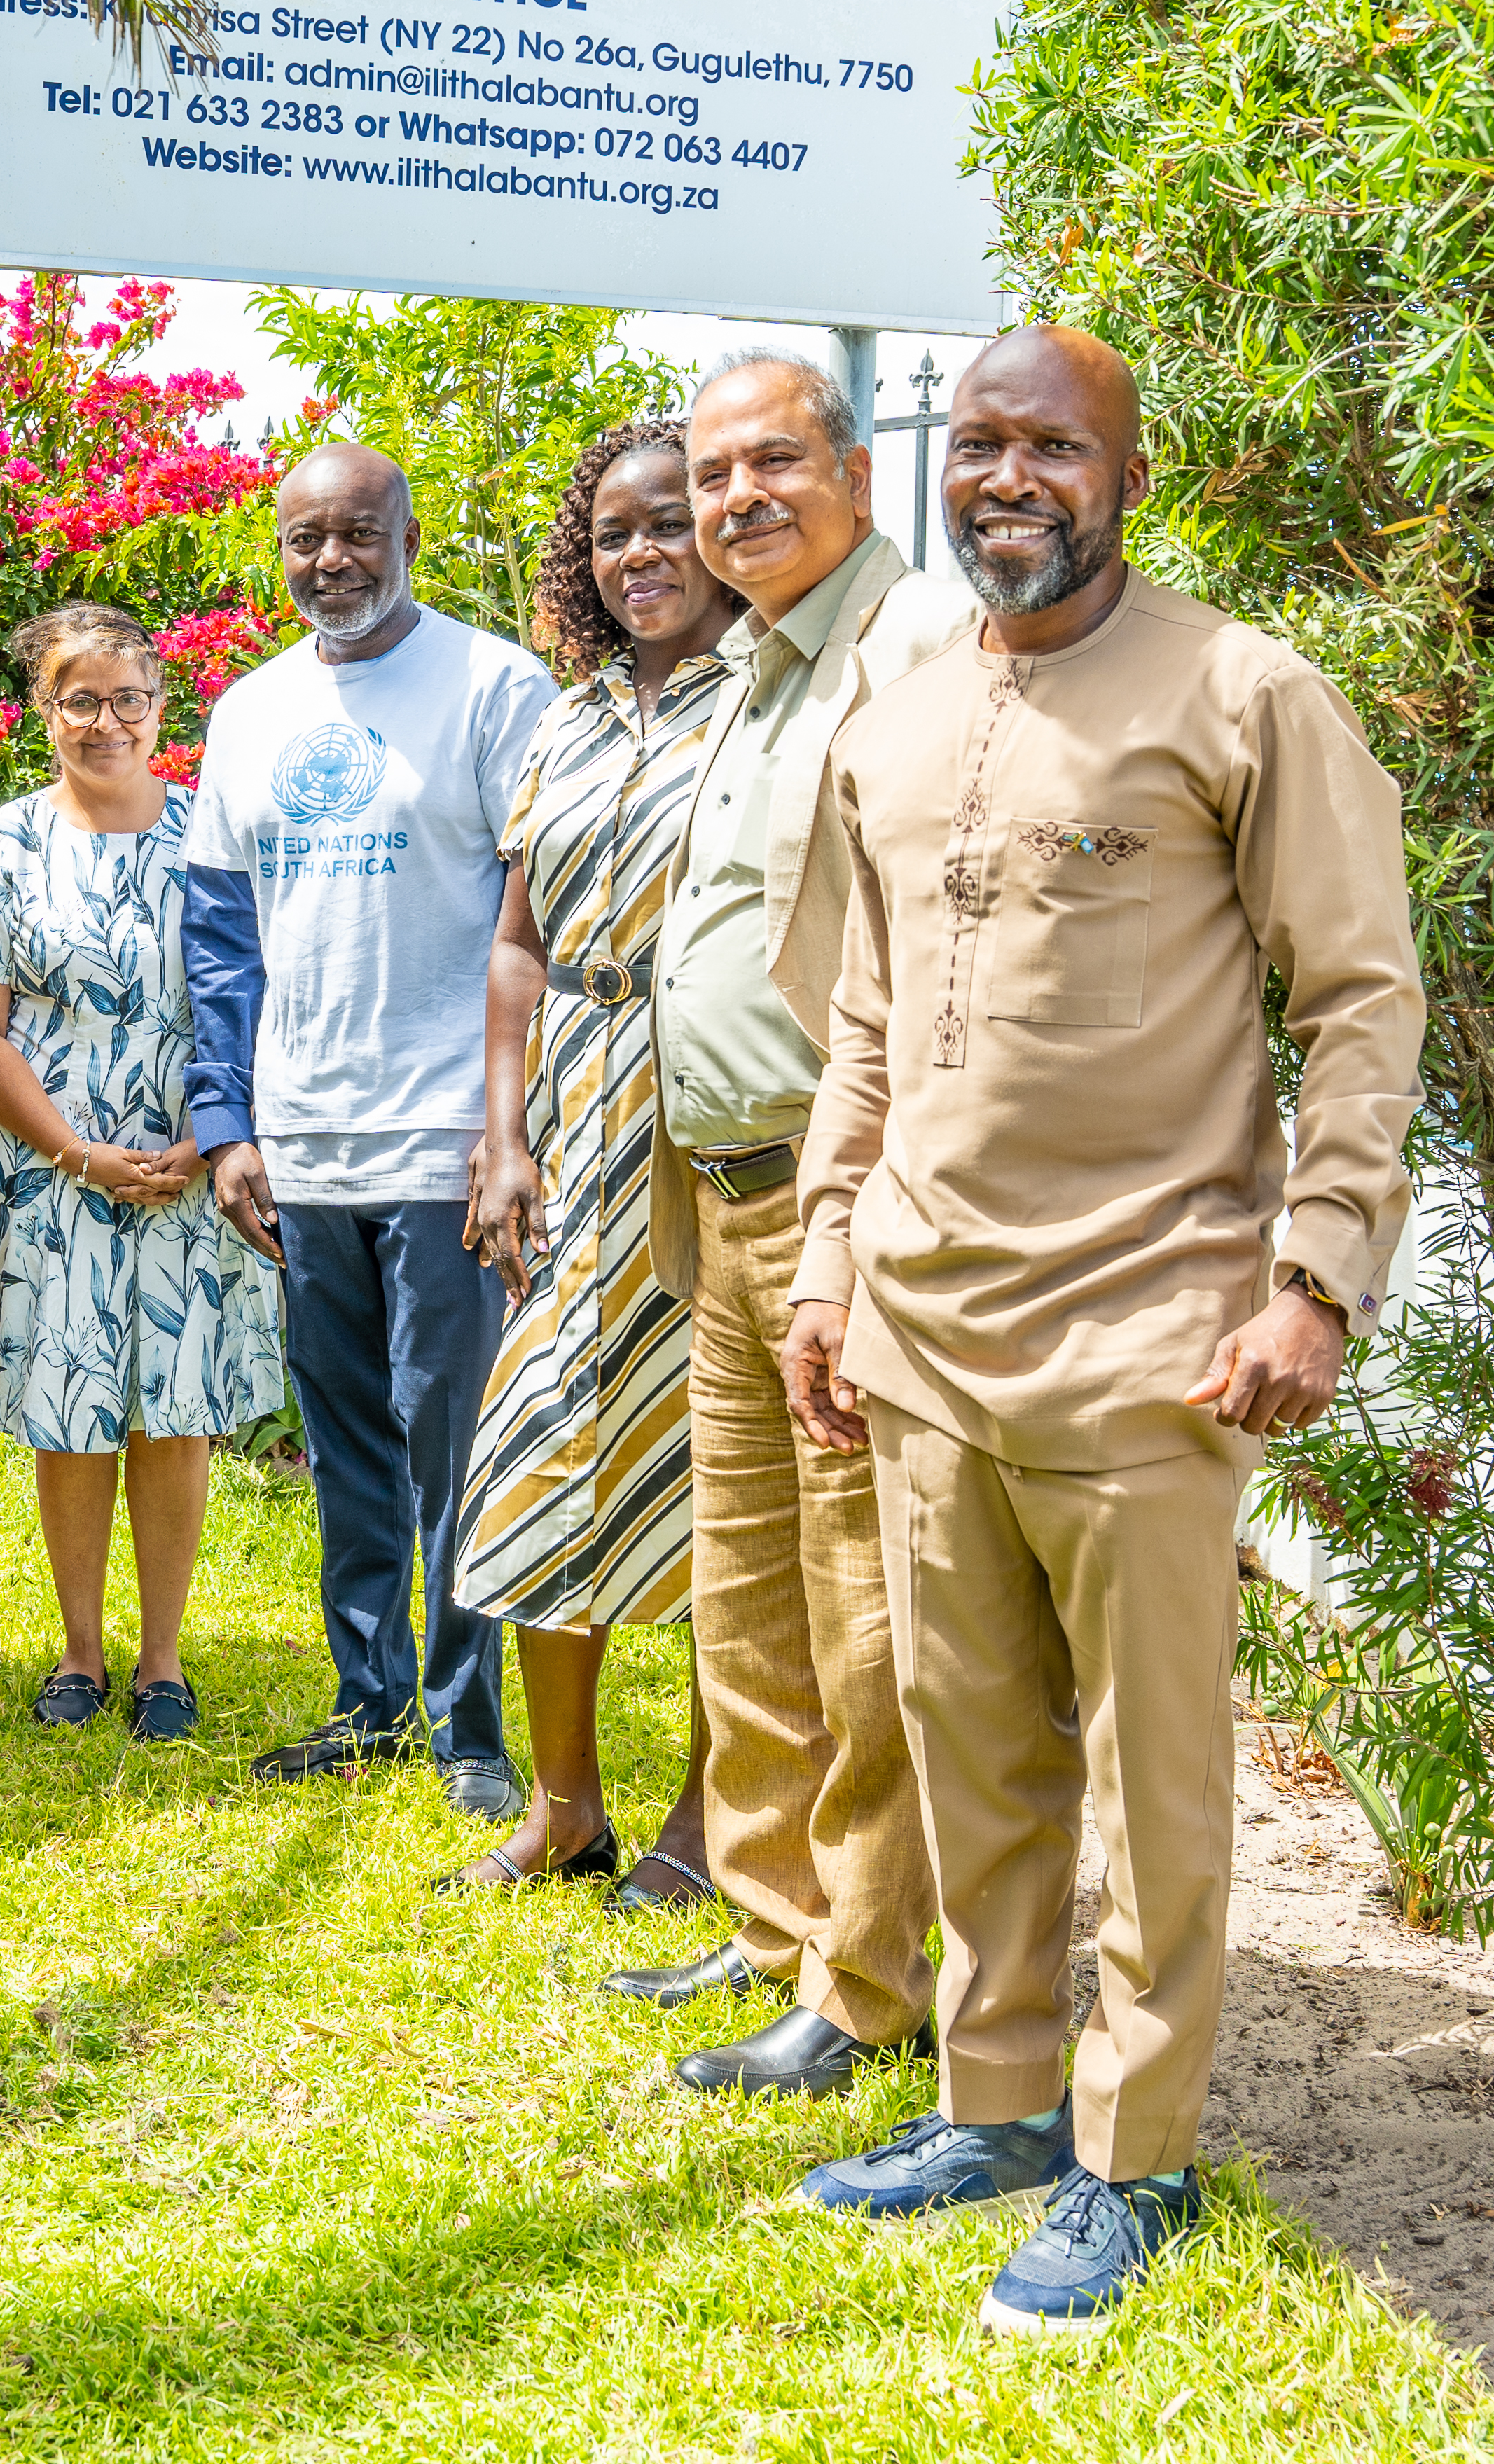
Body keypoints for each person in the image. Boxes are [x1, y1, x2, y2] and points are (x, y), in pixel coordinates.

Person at [782, 325, 1422, 2335]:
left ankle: (1131, 2160)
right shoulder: (890, 709)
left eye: (1053, 444)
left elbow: (1363, 998)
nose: (1009, 478)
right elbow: (866, 1027)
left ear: (1126, 471)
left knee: (1154, 1783)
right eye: (977, 442)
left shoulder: (1245, 692)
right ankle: (993, 2103)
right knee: (972, 1748)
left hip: (1157, 1329)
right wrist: (824, 1262)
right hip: (924, 1321)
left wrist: (1316, 1272)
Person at [600, 349, 969, 2096]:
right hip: (722, 1197)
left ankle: (864, 1975)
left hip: (843, 1211)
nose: (732, 499)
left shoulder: (907, 654)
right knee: (745, 1589)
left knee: (859, 1607)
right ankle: (770, 1924)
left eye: (770, 464)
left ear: (854, 473)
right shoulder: (755, 660)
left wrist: (857, 1215)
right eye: (709, 476)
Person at [184, 443, 552, 1814]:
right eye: (304, 541)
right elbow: (219, 941)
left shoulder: (492, 687)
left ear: (408, 534)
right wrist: (227, 1126)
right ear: (276, 551)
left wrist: (508, 1125)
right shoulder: (248, 712)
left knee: (450, 1439)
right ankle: (370, 1701)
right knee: (343, 1442)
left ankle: (468, 1732)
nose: (328, 562)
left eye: (355, 535)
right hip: (302, 1145)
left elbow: (539, 912)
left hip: (448, 1142)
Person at [449, 423, 738, 1899]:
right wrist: (498, 1139)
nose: (641, 555)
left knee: (712, 1480)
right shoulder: (560, 721)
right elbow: (515, 943)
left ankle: (709, 1821)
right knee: (536, 1453)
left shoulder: (771, 706)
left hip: (709, 1128)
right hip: (566, 1124)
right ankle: (564, 1809)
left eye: (671, 525)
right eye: (615, 533)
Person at [0, 604, 286, 1743]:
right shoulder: (5, 845)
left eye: (127, 698)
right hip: (50, 1168)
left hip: (192, 1157)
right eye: (78, 699)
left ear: (160, 708)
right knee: (72, 1407)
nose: (106, 721)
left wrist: (212, 1131)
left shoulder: (212, 835)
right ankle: (81, 1652)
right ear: (43, 714)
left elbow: (261, 991)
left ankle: (164, 1660)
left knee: (174, 1409)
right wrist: (75, 1149)